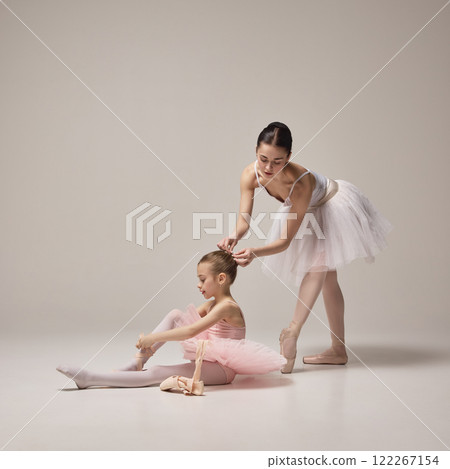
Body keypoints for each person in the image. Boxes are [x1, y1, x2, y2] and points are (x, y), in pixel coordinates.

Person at [217, 122, 392, 373]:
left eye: (277, 161)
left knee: (318, 267)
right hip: (303, 210)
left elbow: (285, 242)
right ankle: (338, 350)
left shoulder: (301, 182)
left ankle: (292, 332)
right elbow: (244, 219)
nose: (268, 167)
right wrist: (235, 235)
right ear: (256, 151)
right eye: (263, 158)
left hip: (331, 204)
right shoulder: (249, 174)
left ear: (289, 157)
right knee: (328, 279)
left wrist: (256, 252)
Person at [57, 250, 286, 393]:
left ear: (221, 279)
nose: (199, 285)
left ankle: (89, 379)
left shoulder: (227, 306)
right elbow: (182, 322)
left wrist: (152, 338)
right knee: (176, 313)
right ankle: (136, 362)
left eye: (202, 279)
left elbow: (190, 331)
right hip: (212, 358)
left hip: (222, 370)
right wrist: (152, 341)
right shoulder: (214, 303)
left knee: (158, 372)